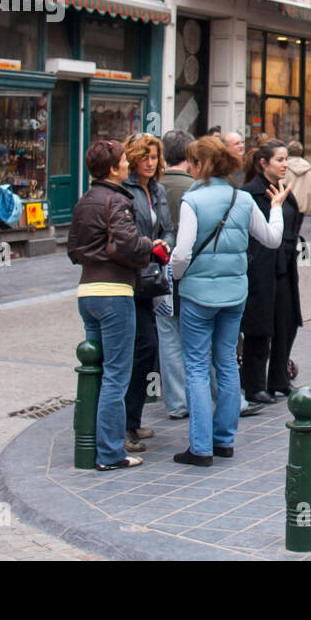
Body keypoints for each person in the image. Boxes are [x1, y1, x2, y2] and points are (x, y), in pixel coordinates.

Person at [169, 135, 288, 466]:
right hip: (235, 294)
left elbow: (182, 253)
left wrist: (176, 276)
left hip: (197, 295)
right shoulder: (243, 199)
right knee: (225, 361)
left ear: (199, 165)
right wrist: (275, 210)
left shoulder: (192, 201)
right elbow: (272, 239)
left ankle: (201, 446)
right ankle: (224, 440)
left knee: (195, 365)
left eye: (192, 163)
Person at [67, 139, 160, 470]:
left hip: (87, 290)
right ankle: (109, 452)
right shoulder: (118, 201)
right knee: (117, 375)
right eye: (123, 160)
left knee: (98, 369)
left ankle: (89, 443)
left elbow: (74, 249)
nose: (127, 163)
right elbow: (129, 245)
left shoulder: (84, 200)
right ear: (112, 168)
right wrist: (151, 246)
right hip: (114, 291)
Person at [240, 139, 304, 404]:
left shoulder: (284, 190)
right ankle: (254, 385)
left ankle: (279, 379)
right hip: (261, 269)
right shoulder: (250, 194)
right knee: (259, 327)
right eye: (279, 160)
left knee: (286, 323)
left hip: (285, 266)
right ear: (262, 163)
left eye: (286, 159)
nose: (284, 164)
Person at [122, 133, 172, 453]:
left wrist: (165, 243)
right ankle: (125, 425)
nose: (151, 163)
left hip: (152, 276)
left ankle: (134, 420)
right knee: (141, 348)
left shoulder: (158, 190)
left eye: (154, 157)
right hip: (132, 277)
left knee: (147, 349)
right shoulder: (125, 191)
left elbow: (166, 227)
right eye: (145, 157)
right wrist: (147, 247)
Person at [158, 130, 195, 420]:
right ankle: (200, 395)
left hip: (159, 271)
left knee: (168, 335)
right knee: (194, 336)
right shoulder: (195, 189)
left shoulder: (153, 186)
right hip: (192, 272)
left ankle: (176, 400)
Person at [284, 141, 311, 216]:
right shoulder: (307, 167)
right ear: (301, 152)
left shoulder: (284, 167)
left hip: (287, 204)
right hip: (302, 205)